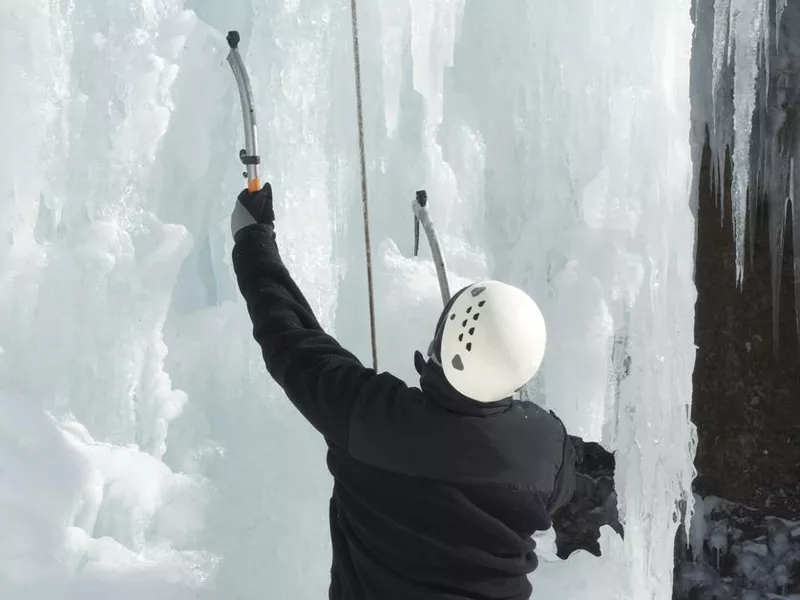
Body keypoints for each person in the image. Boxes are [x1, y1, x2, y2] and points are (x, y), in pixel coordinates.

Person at [230, 184, 622, 600]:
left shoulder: (368, 417)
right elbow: (570, 478)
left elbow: (289, 339)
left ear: (438, 343)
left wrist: (252, 238)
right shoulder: (544, 448)